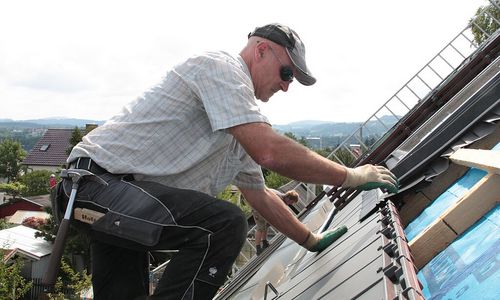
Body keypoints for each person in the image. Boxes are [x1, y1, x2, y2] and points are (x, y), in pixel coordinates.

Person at [56, 23, 398, 299]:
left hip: (124, 207)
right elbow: (270, 152)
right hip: (94, 189)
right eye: (286, 73)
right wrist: (350, 176)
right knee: (223, 224)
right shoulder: (220, 68)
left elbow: (260, 195)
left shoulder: (236, 125)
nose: (285, 86)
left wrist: (310, 240)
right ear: (261, 50)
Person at [253, 189, 299, 255]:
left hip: (264, 208)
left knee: (266, 225)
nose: (291, 204)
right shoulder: (278, 199)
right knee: (260, 227)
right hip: (258, 208)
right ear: (288, 198)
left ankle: (264, 242)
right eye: (292, 202)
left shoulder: (282, 197)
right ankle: (258, 249)